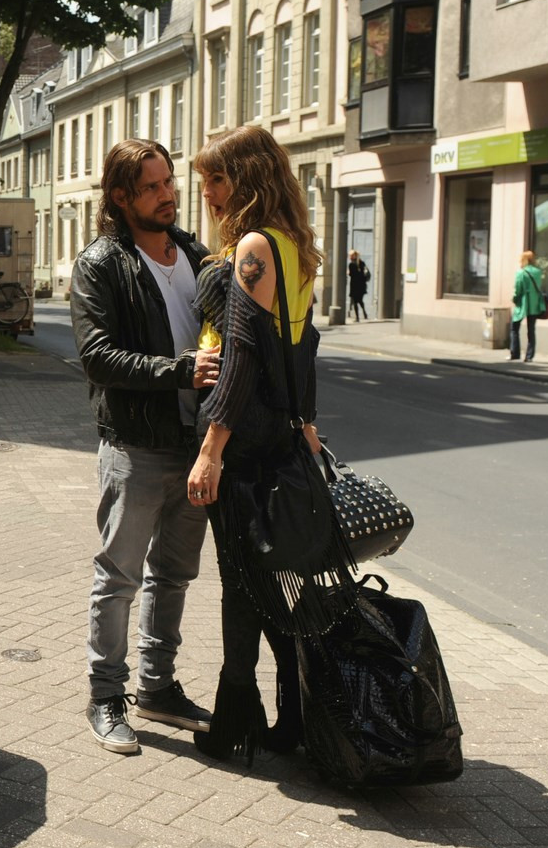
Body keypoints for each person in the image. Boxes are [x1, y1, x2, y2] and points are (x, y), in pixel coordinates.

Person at [184, 126, 358, 764]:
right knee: (272, 579)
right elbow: (303, 348)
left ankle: (236, 719)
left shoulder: (255, 247)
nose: (207, 193)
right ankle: (292, 716)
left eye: (217, 179)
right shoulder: (294, 246)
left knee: (242, 581)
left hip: (244, 439)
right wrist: (305, 422)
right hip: (277, 433)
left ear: (248, 179)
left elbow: (242, 359)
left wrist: (211, 449)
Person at [71, 138, 221, 754]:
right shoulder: (101, 263)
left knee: (174, 576)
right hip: (135, 446)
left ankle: (157, 688)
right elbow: (97, 357)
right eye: (153, 187)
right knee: (118, 578)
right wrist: (180, 371)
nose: (168, 195)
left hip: (195, 445)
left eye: (169, 183)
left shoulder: (196, 253)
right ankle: (105, 696)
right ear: (120, 196)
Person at [510, 250, 547, 362]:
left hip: (522, 303)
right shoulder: (538, 272)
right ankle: (529, 356)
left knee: (514, 328)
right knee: (531, 330)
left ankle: (515, 353)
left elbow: (517, 289)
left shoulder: (521, 272)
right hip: (534, 304)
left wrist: (515, 299)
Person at [347, 250, 370, 322]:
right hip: (362, 285)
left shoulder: (351, 265)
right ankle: (364, 313)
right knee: (360, 300)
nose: (349, 257)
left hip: (354, 285)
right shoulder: (362, 263)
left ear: (353, 256)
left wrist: (348, 273)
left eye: (350, 255)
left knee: (355, 302)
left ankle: (357, 317)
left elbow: (351, 274)